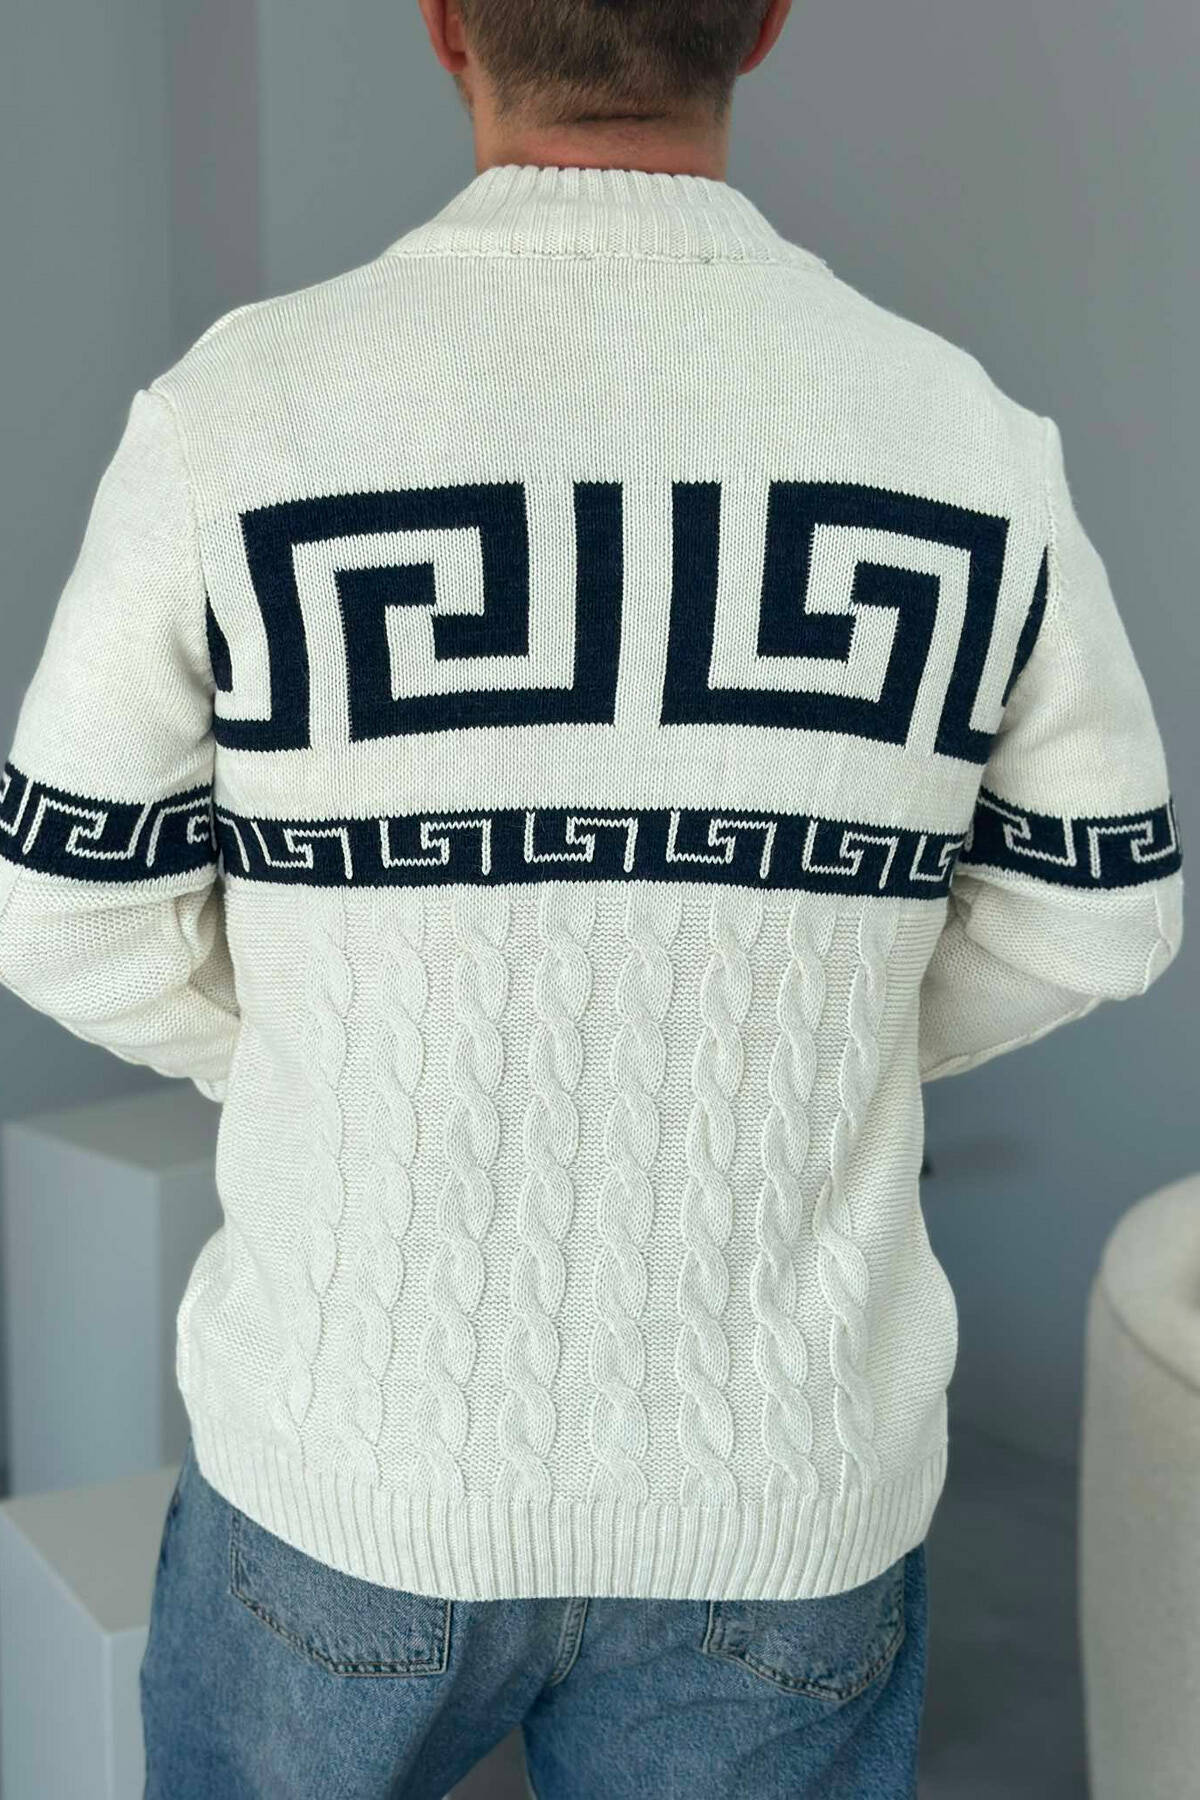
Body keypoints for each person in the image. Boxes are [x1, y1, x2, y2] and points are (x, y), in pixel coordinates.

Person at [0, 1, 1183, 1795]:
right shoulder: (965, 438)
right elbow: (1101, 905)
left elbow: (66, 906)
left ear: (443, 22)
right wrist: (798, 1026)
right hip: (779, 1488)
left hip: (348, 1465)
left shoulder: (236, 416)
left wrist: (348, 1049)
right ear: (764, 21)